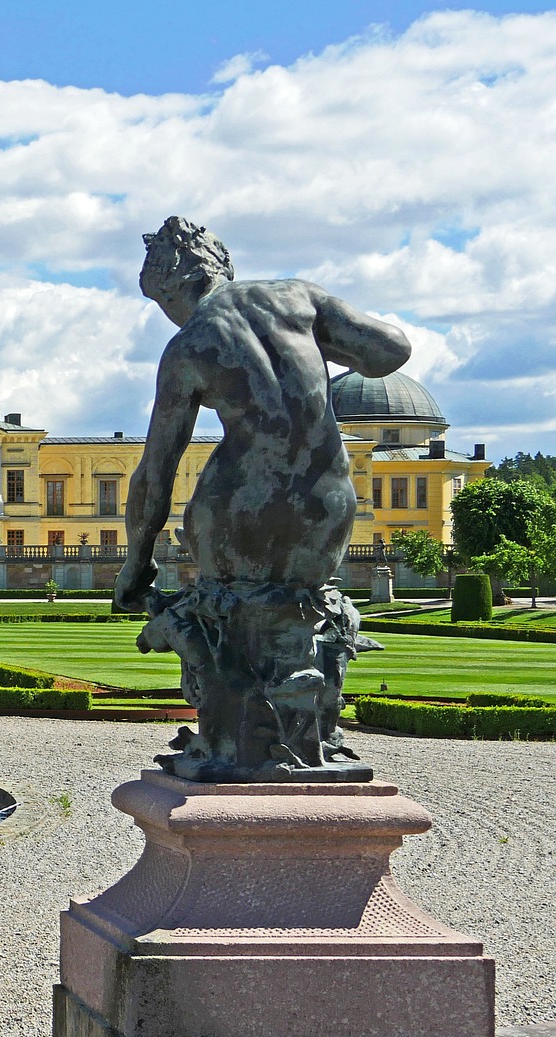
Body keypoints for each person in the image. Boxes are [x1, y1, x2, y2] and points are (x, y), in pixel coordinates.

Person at [114, 217, 408, 781]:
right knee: (301, 612)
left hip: (239, 504)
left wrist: (137, 559)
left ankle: (234, 746)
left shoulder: (188, 347)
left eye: (162, 303)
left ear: (173, 289)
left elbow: (156, 471)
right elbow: (389, 351)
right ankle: (312, 741)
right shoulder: (298, 296)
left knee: (229, 611)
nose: (168, 316)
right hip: (326, 500)